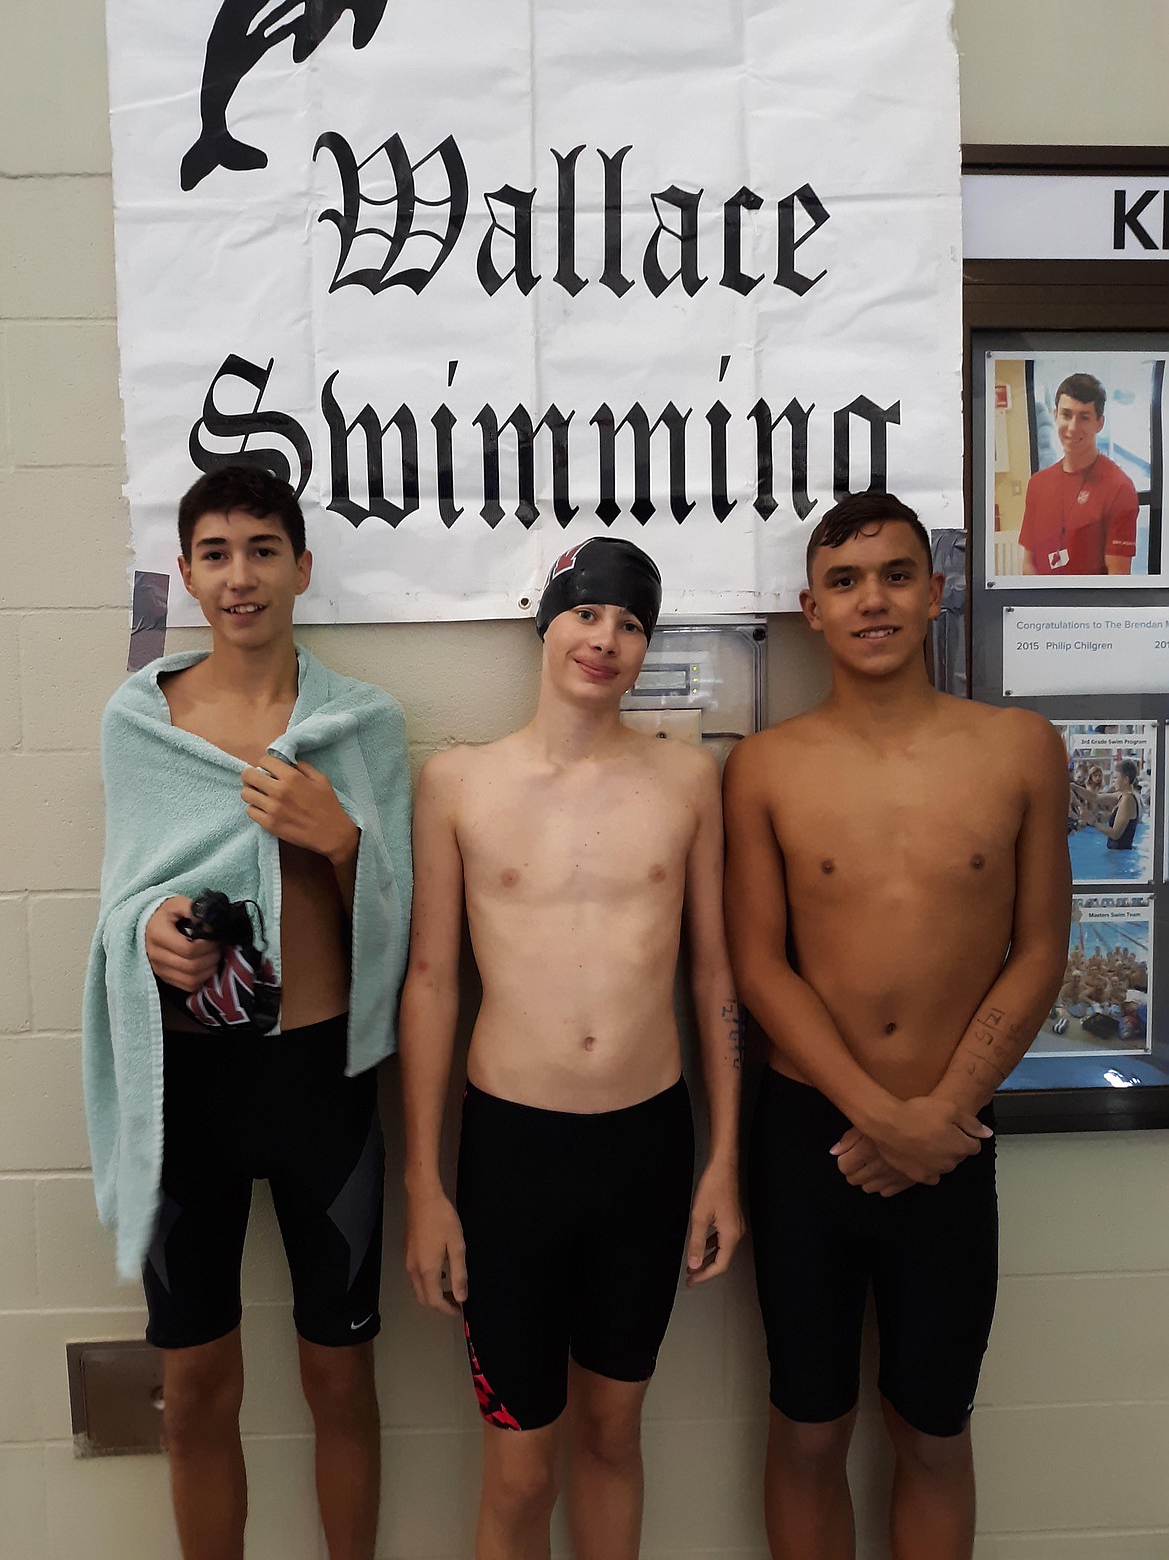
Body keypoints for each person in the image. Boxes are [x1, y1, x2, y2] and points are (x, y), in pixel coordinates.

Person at [723, 492, 1070, 1560]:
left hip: (952, 1145)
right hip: (807, 1141)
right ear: (809, 610)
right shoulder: (765, 767)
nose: (871, 599)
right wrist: (879, 1113)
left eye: (894, 575)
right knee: (809, 1431)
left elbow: (1042, 947)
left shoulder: (1019, 749)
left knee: (932, 1433)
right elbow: (758, 965)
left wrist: (941, 1114)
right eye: (844, 581)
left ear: (935, 592)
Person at [82, 465, 413, 1560]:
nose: (241, 576)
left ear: (301, 567)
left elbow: (404, 913)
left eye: (263, 549)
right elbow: (122, 898)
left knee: (340, 1375)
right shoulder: (140, 722)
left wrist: (340, 837)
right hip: (189, 1092)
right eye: (216, 554)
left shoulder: (359, 726)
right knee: (198, 1380)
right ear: (185, 574)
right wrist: (150, 933)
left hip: (321, 1083)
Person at [399, 537, 744, 1560]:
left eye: (633, 622)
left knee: (612, 1433)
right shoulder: (458, 783)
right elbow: (430, 982)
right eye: (588, 612)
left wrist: (722, 1162)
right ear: (544, 619)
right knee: (519, 1464)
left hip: (647, 1149)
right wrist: (425, 1183)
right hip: (512, 1157)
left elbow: (714, 977)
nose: (607, 638)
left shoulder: (688, 781)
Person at [1018, 372, 1138, 576]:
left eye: (1084, 417)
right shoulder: (1037, 484)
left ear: (1099, 423)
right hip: (1043, 605)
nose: (1073, 428)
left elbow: (1117, 579)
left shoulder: (1119, 488)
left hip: (1090, 607)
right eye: (1066, 414)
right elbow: (1029, 563)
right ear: (1055, 414)